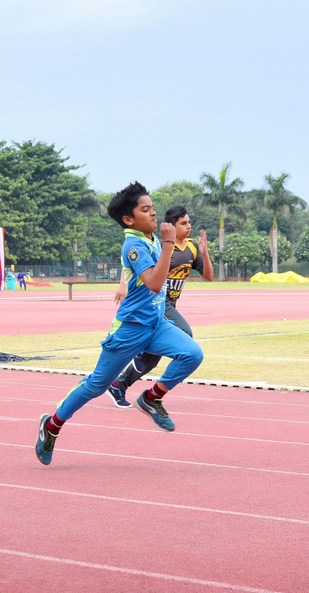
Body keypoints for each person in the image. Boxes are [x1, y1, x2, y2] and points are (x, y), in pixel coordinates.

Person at [34, 181, 205, 465]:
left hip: (156, 324)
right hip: (130, 330)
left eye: (153, 208)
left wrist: (163, 243)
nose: (153, 214)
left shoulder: (149, 237)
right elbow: (154, 283)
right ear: (128, 219)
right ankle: (51, 425)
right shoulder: (134, 244)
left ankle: (151, 398)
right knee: (96, 385)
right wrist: (167, 243)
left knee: (192, 354)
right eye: (145, 210)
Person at [107, 205, 213, 407]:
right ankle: (149, 380)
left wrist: (205, 254)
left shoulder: (191, 247)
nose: (189, 226)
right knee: (185, 334)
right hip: (156, 303)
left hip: (170, 303)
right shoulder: (162, 246)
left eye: (189, 222)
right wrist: (123, 284)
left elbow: (208, 276)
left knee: (150, 360)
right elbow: (136, 265)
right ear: (171, 227)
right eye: (183, 223)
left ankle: (119, 385)